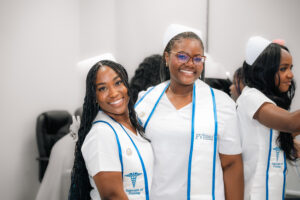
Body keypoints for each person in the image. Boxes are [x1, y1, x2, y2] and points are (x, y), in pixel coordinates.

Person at [135, 24, 243, 200]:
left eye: (197, 59)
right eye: (182, 56)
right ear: (166, 57)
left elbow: (232, 164)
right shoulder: (146, 101)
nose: (190, 64)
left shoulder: (221, 105)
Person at [69, 60, 154, 200]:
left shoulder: (134, 125)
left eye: (118, 83)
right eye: (102, 88)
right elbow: (112, 196)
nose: (113, 93)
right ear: (94, 97)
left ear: (126, 85)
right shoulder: (101, 133)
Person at [237, 36, 300, 199]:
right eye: (283, 69)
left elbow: (276, 136)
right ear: (265, 71)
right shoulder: (251, 97)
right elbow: (291, 123)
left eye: (290, 68)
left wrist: (290, 143)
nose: (290, 75)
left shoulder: (270, 102)